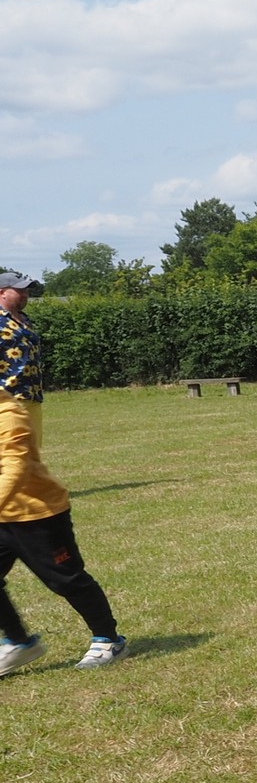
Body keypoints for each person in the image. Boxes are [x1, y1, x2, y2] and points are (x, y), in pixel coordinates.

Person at [0, 271, 126, 673]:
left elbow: (16, 465)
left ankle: (109, 639)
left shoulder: (12, 411)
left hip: (36, 512)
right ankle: (18, 643)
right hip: (4, 514)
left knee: (67, 580)